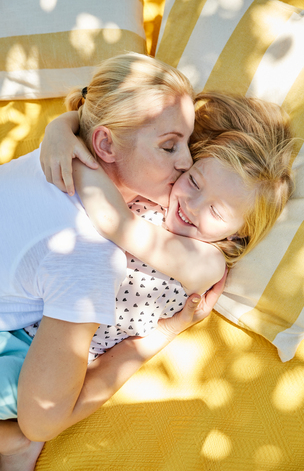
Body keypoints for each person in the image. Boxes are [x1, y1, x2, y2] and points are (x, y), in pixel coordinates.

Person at [0, 53, 226, 471]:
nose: (186, 162)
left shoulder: (51, 158)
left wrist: (61, 126)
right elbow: (42, 416)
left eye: (187, 144)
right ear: (104, 144)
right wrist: (160, 335)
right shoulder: (85, 252)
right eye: (169, 145)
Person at [40, 90, 295, 362]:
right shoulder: (159, 193)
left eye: (216, 211)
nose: (192, 204)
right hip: (30, 296)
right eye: (195, 182)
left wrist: (69, 148)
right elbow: (113, 134)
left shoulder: (208, 262)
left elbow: (113, 221)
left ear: (239, 232)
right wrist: (63, 126)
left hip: (60, 349)